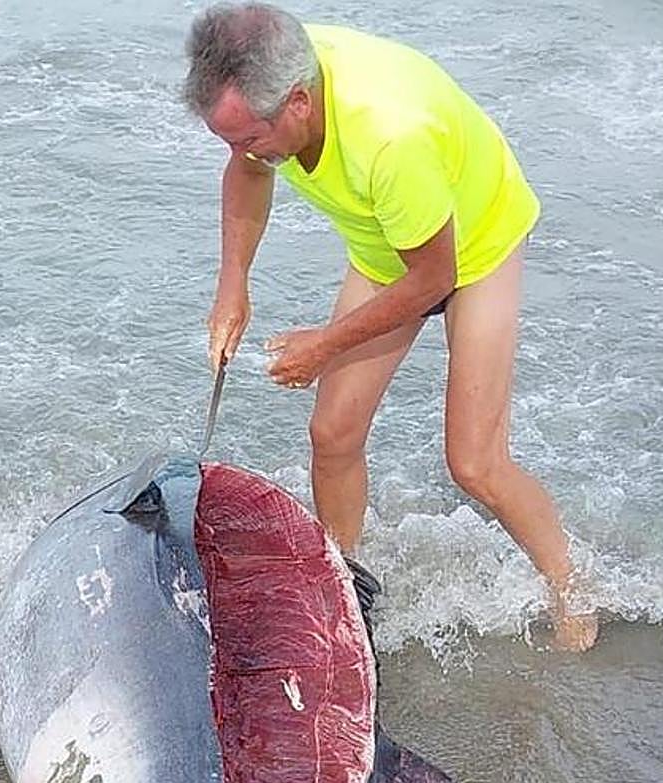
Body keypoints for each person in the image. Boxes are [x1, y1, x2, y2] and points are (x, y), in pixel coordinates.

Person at [183, 2, 598, 651]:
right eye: (227, 139)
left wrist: (323, 345)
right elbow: (248, 172)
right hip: (390, 245)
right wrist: (233, 283)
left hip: (475, 247)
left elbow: (433, 278)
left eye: (249, 138)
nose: (241, 154)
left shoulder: (388, 133)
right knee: (333, 431)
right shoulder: (267, 77)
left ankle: (574, 597)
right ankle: (341, 589)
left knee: (475, 463)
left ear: (298, 102)